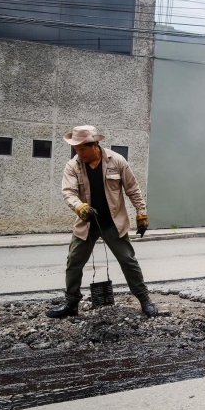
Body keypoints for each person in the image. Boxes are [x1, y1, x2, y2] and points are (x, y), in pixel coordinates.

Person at [46, 125, 158, 318]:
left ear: (95, 145)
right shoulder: (73, 166)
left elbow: (132, 188)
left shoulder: (117, 161)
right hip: (86, 223)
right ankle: (71, 304)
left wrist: (141, 213)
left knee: (128, 261)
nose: (78, 153)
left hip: (113, 223)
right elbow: (68, 192)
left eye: (82, 149)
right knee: (74, 262)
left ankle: (145, 300)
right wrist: (80, 207)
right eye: (76, 149)